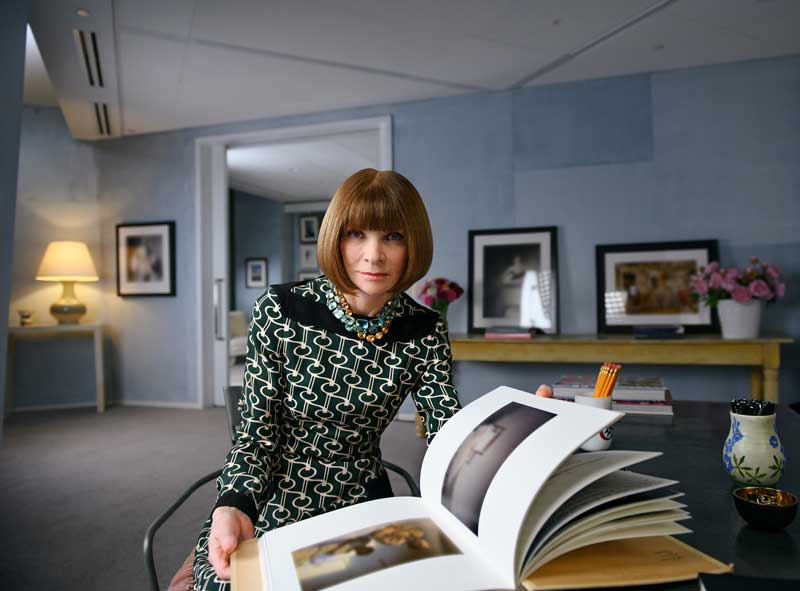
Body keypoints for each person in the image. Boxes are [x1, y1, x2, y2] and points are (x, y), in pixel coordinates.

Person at [191, 169, 462, 590]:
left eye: (393, 237)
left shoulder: (425, 329)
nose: (373, 255)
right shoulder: (280, 309)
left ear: (414, 244)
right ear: (335, 237)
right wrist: (233, 504)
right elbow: (256, 436)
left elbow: (450, 432)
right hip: (275, 494)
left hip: (363, 500)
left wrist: (524, 434)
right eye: (357, 234)